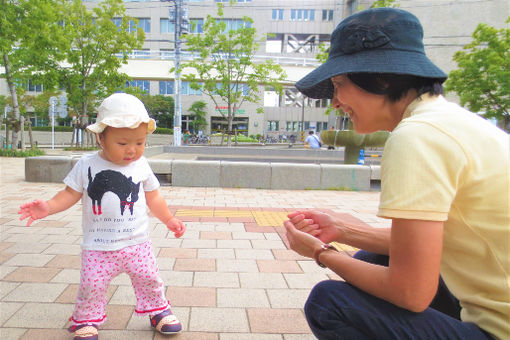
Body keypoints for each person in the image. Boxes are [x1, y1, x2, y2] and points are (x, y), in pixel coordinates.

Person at [284, 8, 508, 340]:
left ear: (382, 78)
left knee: (329, 303)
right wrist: (342, 230)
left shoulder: (416, 138)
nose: (335, 102)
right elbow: (436, 244)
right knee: (373, 259)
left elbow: (411, 294)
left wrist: (321, 253)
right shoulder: (450, 121)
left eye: (338, 84)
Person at [18, 93, 186, 340]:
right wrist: (49, 207)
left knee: (150, 278)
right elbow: (69, 194)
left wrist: (169, 219)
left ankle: (158, 310)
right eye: (122, 143)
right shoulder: (87, 164)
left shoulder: (141, 166)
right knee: (92, 286)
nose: (132, 150)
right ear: (101, 138)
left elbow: (154, 198)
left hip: (137, 243)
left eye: (140, 143)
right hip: (98, 246)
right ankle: (86, 320)